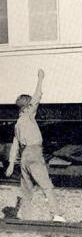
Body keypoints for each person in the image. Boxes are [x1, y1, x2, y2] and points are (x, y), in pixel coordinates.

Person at [5, 69, 66, 222]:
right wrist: (40, 78)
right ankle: (56, 214)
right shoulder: (28, 115)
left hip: (24, 157)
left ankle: (26, 219)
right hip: (34, 153)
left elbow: (15, 145)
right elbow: (37, 96)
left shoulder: (17, 124)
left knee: (26, 189)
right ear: (26, 106)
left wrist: (11, 164)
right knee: (46, 185)